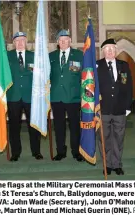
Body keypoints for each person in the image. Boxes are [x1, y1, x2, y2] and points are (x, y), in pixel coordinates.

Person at [96, 39, 132, 175]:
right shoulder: (96, 66)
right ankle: (107, 165)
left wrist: (128, 106)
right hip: (102, 108)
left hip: (119, 108)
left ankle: (116, 164)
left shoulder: (124, 66)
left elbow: (128, 86)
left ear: (116, 50)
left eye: (112, 48)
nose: (110, 51)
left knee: (118, 137)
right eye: (107, 48)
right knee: (104, 138)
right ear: (103, 51)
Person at [7, 32, 43, 161]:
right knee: (14, 127)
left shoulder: (34, 56)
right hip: (13, 96)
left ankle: (36, 151)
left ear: (26, 42)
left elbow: (40, 75)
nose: (20, 43)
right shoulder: (6, 56)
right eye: (17, 40)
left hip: (31, 96)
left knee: (33, 126)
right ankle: (15, 152)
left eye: (22, 40)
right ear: (14, 43)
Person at [49, 29, 84, 162]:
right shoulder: (50, 56)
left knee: (75, 126)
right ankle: (60, 152)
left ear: (70, 41)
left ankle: (76, 152)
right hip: (56, 97)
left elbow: (84, 75)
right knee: (58, 126)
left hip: (73, 97)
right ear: (58, 42)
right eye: (60, 40)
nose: (63, 42)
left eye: (66, 39)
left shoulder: (79, 55)